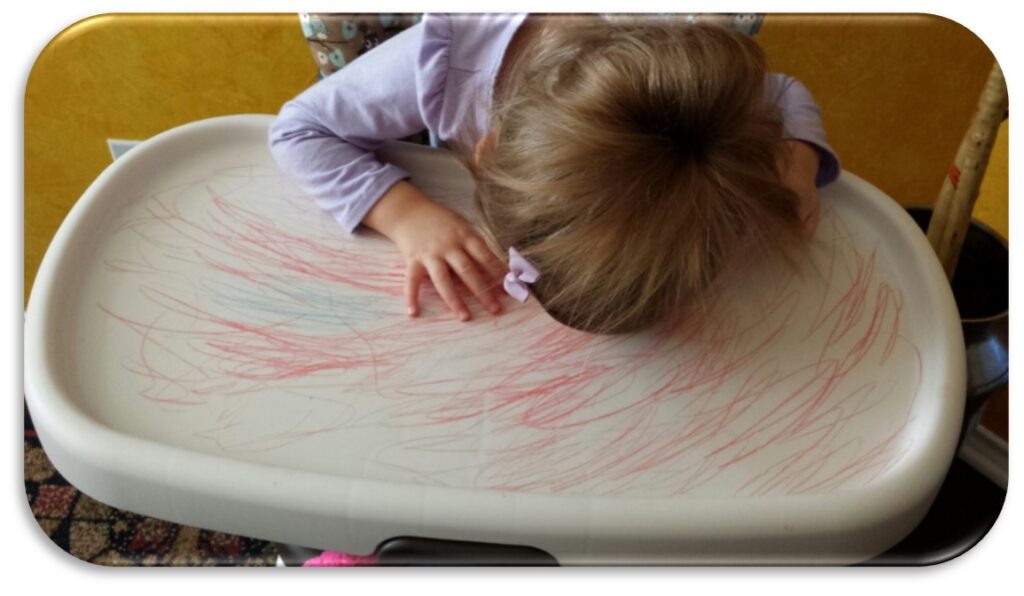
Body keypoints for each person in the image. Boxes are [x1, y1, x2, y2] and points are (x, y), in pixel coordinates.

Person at [270, 13, 840, 335]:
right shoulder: (445, 59)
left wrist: (795, 159)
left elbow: (783, 92)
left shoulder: (699, 90)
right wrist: (404, 214)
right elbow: (298, 130)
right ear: (486, 156)